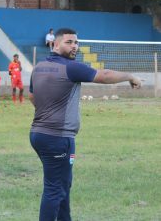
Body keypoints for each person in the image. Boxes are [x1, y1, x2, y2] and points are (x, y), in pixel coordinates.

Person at [29, 28, 141, 221]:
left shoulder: (39, 67)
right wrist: (130, 76)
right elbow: (104, 75)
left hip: (38, 134)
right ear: (55, 44)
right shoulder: (70, 67)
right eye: (69, 42)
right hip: (58, 138)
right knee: (54, 189)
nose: (74, 46)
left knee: (63, 185)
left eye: (76, 42)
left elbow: (32, 96)